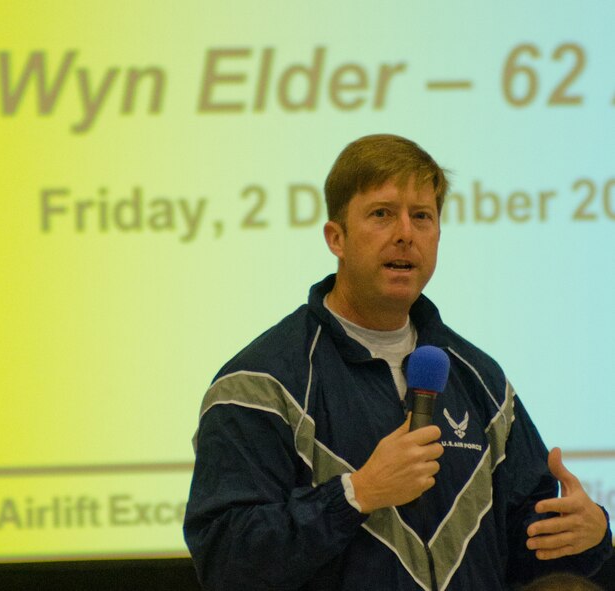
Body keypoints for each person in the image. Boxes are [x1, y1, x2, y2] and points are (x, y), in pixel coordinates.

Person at [183, 134, 612, 590]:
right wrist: (356, 494)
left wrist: (589, 535)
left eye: (422, 217)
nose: (406, 232)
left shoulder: (481, 380)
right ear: (336, 238)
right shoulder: (262, 384)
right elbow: (226, 562)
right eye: (382, 213)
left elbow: (526, 553)